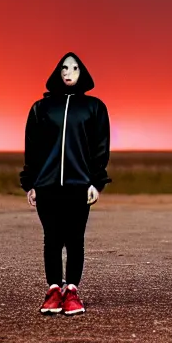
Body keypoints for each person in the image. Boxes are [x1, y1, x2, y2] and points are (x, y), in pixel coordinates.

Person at [19, 52, 111, 316]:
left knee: (75, 239)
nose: (68, 72)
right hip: (47, 185)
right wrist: (31, 183)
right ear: (57, 73)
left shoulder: (94, 107)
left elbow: (100, 148)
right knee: (51, 239)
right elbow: (32, 149)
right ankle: (53, 291)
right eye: (64, 69)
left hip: (79, 185)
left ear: (82, 72)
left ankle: (71, 292)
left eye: (73, 68)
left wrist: (96, 183)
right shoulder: (41, 108)